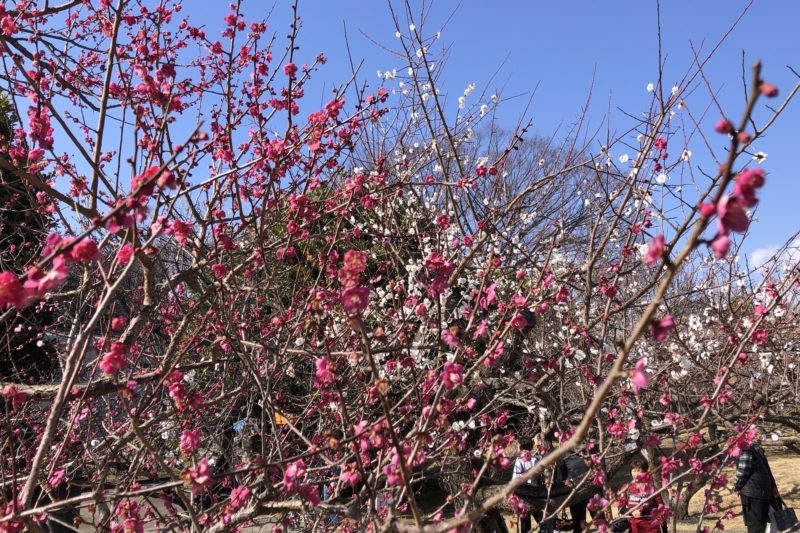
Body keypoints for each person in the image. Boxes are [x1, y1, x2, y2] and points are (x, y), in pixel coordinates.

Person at [734, 433, 776, 533]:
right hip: (763, 491)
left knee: (755, 526)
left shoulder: (745, 450)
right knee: (760, 524)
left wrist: (736, 487)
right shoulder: (757, 450)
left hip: (753, 493)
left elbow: (743, 471)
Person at [625, 459, 664, 533]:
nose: (636, 474)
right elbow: (621, 507)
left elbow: (661, 509)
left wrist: (664, 528)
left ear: (645, 473)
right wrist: (631, 511)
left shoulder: (653, 490)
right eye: (634, 471)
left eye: (639, 471)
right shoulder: (628, 489)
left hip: (651, 529)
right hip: (634, 528)